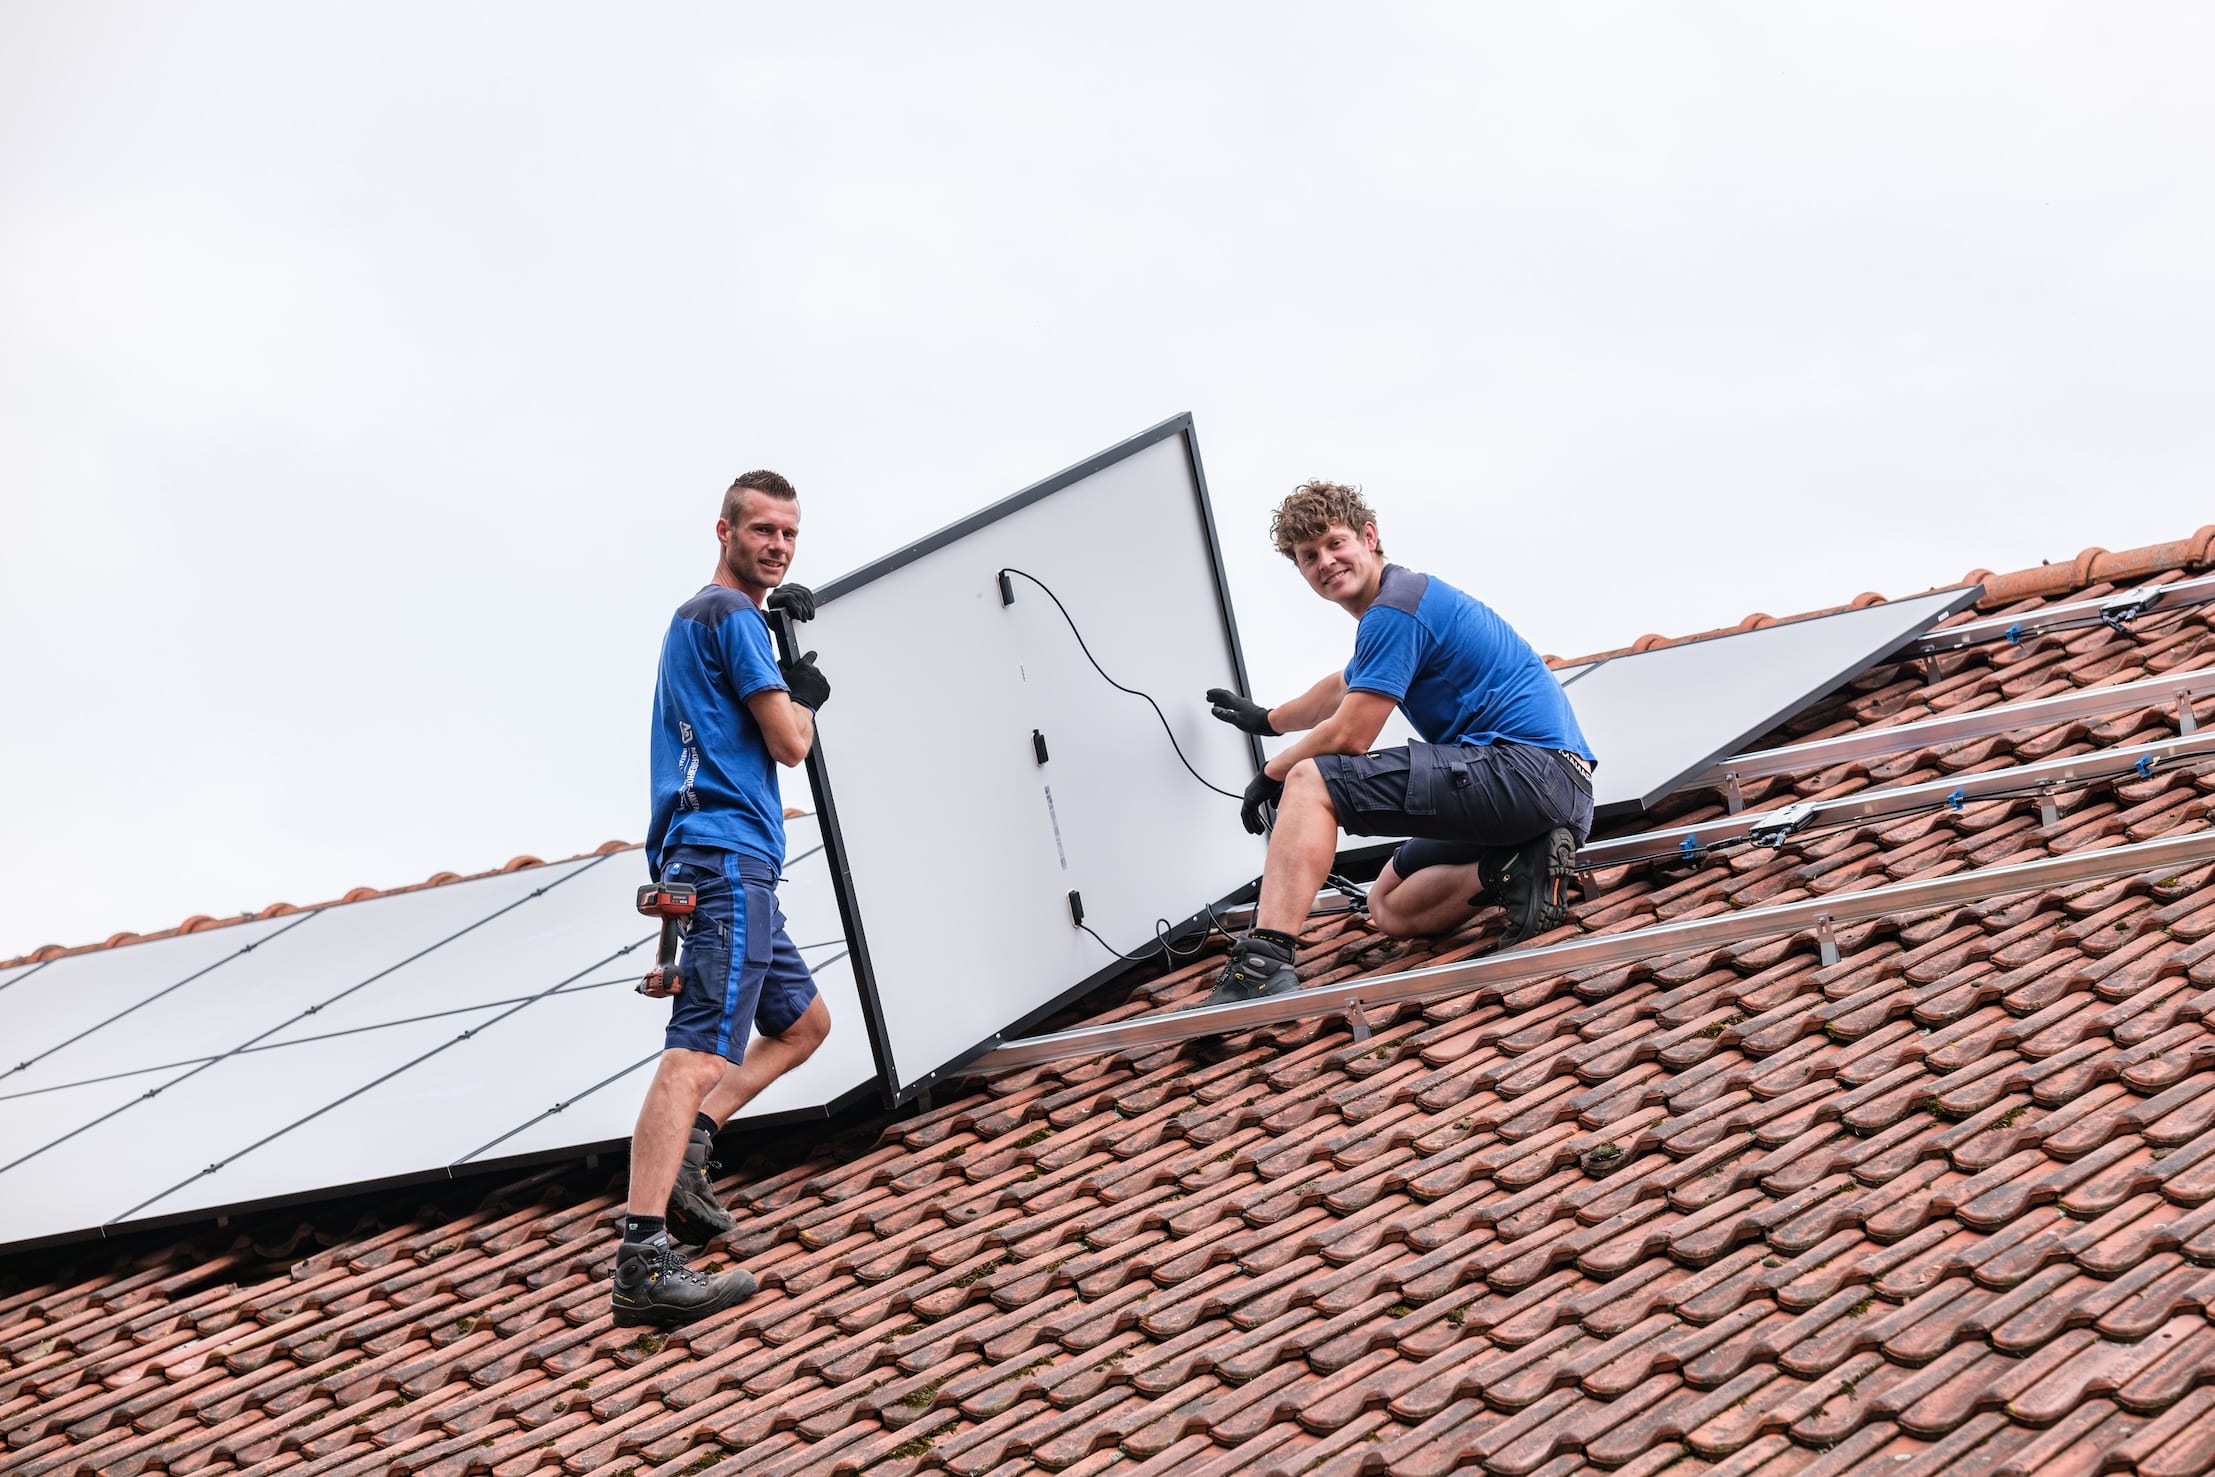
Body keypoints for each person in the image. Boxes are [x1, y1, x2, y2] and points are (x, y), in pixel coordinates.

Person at [1202, 481, 1595, 1005]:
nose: (1325, 562)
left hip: (1525, 772)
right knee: (1388, 904)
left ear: (1369, 536)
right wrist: (1269, 721)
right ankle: (1516, 869)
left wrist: (1272, 773)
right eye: (1308, 556)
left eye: (1334, 543)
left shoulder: (1395, 610)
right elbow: (1344, 687)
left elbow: (1350, 735)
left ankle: (1264, 959)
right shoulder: (1401, 606)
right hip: (1557, 794)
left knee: (1310, 780)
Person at [611, 468, 836, 1328]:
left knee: (803, 1024)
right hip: (725, 855)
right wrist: (804, 696)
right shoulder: (732, 615)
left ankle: (691, 1151)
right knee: (699, 1049)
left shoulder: (696, 622)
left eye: (789, 533)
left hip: (724, 859)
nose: (776, 545)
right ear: (725, 531)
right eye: (762, 531)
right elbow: (788, 743)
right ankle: (642, 1255)